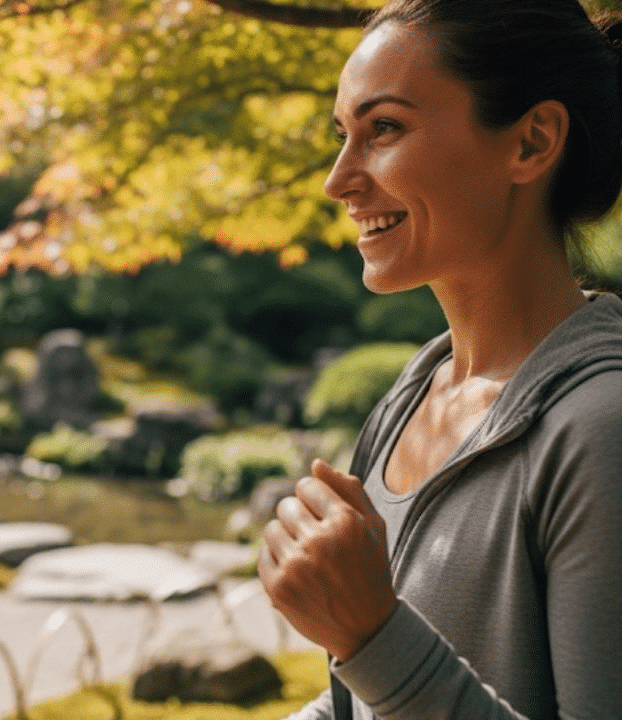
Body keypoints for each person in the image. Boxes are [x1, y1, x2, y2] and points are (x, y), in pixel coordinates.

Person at [256, 1, 622, 718]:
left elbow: (392, 670)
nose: (338, 180)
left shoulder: (600, 431)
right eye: (343, 135)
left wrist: (372, 637)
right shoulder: (410, 401)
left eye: (383, 128)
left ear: (532, 141)